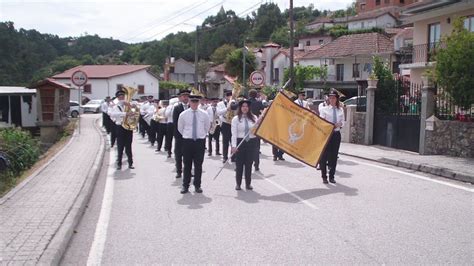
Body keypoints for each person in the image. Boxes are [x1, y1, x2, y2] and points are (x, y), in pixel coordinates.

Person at [177, 95, 211, 194]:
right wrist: (187, 135)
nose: (195, 103)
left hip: (199, 141)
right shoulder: (183, 114)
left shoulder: (204, 114)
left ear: (199, 102)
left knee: (198, 165)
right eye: (193, 101)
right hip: (188, 141)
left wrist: (202, 135)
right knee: (187, 164)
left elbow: (207, 126)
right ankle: (185, 185)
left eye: (196, 102)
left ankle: (197, 185)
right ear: (189, 102)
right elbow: (180, 128)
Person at [231, 99, 258, 191]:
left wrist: (259, 122)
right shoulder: (236, 119)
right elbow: (234, 133)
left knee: (249, 164)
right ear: (240, 108)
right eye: (243, 106)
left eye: (246, 106)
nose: (245, 108)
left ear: (249, 108)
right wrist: (234, 146)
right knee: (239, 164)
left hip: (251, 142)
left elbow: (257, 130)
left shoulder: (254, 118)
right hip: (240, 142)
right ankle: (238, 184)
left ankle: (248, 184)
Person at [319, 89, 345, 184]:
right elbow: (321, 123)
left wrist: (340, 125)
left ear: (337, 99)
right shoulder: (324, 109)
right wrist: (331, 125)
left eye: (333, 98)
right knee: (324, 156)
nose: (331, 99)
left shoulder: (340, 110)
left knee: (334, 156)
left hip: (336, 135)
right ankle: (324, 176)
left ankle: (332, 176)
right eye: (330, 98)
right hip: (326, 135)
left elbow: (343, 122)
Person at [110, 90, 135, 170]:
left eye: (123, 97)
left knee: (129, 146)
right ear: (117, 98)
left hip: (128, 127)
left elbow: (134, 114)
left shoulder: (129, 106)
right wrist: (125, 114)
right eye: (120, 97)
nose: (122, 98)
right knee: (120, 146)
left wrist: (131, 108)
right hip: (120, 127)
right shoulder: (115, 106)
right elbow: (113, 114)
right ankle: (119, 164)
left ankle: (130, 163)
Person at [172, 90, 190, 178]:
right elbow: (175, 123)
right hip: (180, 135)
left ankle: (188, 171)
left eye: (187, 96)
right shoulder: (177, 108)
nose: (186, 98)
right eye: (184, 96)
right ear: (181, 97)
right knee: (178, 154)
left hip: (190, 135)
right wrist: (178, 135)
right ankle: (179, 171)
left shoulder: (192, 106)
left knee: (189, 155)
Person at [216, 90, 237, 163]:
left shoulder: (234, 102)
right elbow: (218, 112)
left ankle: (233, 157)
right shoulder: (220, 104)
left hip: (233, 123)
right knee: (225, 141)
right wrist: (227, 109)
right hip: (225, 123)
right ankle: (225, 157)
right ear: (226, 96)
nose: (230, 97)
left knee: (233, 141)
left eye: (231, 96)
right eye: (229, 96)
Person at [247, 89, 265, 171]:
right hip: (256, 125)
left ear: (249, 95)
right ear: (256, 95)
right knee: (256, 147)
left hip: (246, 126)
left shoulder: (246, 102)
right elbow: (264, 108)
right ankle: (256, 165)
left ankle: (247, 163)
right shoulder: (258, 103)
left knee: (246, 146)